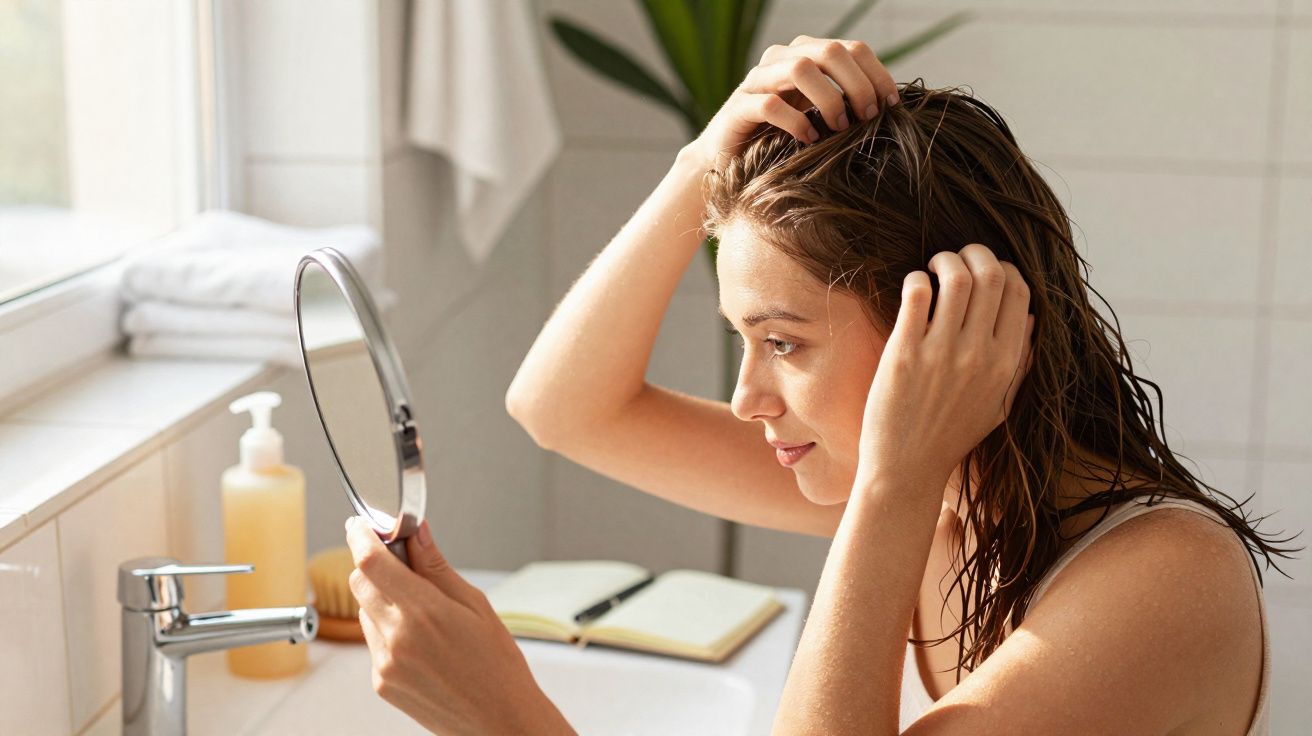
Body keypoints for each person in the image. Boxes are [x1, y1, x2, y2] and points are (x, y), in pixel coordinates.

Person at [345, 35, 1301, 734]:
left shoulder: (1164, 579)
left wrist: (506, 720)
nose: (749, 397)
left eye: (786, 344)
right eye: (743, 340)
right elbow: (562, 408)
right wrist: (706, 157)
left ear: (945, 331)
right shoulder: (938, 500)